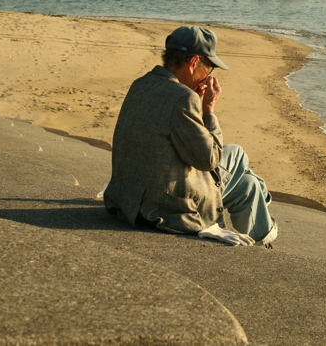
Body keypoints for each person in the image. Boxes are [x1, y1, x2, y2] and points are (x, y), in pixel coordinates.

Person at [104, 25, 277, 246]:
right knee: (243, 169)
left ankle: (264, 231)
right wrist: (208, 110)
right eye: (210, 68)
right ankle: (266, 236)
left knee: (243, 173)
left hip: (128, 199)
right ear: (194, 62)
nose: (208, 76)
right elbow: (209, 159)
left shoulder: (140, 84)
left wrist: (193, 99)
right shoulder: (182, 98)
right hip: (165, 207)